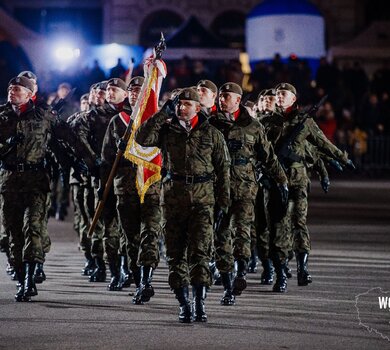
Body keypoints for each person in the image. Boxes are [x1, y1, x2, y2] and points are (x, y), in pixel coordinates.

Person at [135, 88, 230, 323]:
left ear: (198, 108)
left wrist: (224, 202)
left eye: (187, 104)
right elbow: (140, 139)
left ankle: (200, 303)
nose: (181, 108)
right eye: (178, 104)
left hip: (203, 200)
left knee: (200, 252)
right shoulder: (167, 130)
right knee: (176, 254)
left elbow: (223, 169)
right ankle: (184, 304)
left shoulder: (212, 133)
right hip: (174, 199)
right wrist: (161, 113)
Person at [0, 76, 96, 302]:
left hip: (36, 180)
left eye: (17, 89)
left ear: (30, 93)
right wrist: (6, 145)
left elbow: (70, 140)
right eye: (10, 89)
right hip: (9, 180)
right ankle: (20, 273)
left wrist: (91, 163)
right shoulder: (2, 115)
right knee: (13, 234)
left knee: (33, 227)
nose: (11, 92)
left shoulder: (45, 115)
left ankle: (29, 280)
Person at [262, 82, 355, 292]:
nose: (279, 97)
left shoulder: (304, 122)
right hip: (276, 180)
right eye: (278, 94)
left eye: (284, 94)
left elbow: (322, 143)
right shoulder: (267, 122)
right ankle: (281, 273)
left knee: (299, 221)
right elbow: (258, 150)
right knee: (278, 227)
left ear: (294, 99)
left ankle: (302, 268)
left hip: (298, 179)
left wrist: (342, 157)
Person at [209, 82, 288, 304]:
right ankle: (226, 280)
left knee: (242, 230)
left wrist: (282, 181)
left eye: (226, 96)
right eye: (220, 96)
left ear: (237, 100)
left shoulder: (253, 126)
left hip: (244, 186)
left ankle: (240, 272)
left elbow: (268, 156)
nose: (221, 99)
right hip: (217, 189)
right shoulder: (211, 124)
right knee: (220, 234)